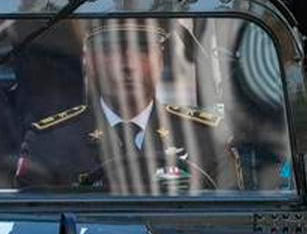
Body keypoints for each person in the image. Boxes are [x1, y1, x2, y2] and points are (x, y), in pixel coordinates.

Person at [14, 19, 236, 192]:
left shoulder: (206, 138)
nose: (129, 64)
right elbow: (36, 231)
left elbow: (232, 229)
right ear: (88, 60)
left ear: (160, 59)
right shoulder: (49, 142)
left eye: (142, 49)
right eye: (111, 50)